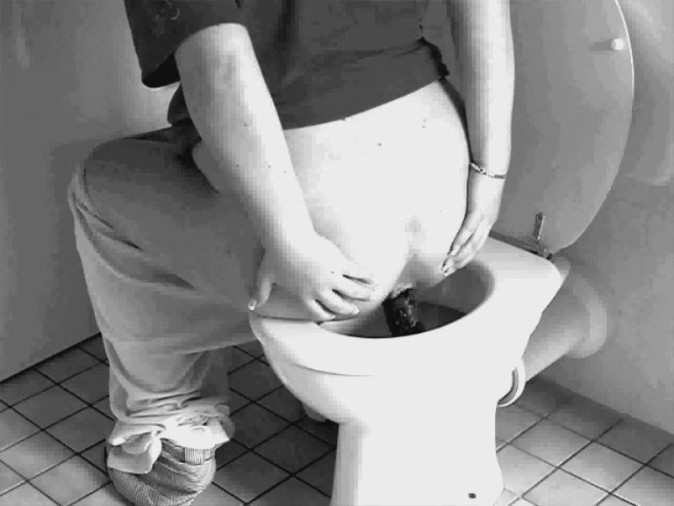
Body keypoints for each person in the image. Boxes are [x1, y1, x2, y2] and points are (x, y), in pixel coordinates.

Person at [67, 1, 514, 504]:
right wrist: (491, 175)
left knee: (98, 182)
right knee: (179, 159)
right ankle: (385, 321)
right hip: (450, 210)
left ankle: (172, 424)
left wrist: (291, 243)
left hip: (329, 249)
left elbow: (221, 67)